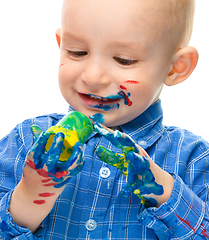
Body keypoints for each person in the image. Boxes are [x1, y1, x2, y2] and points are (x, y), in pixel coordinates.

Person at [0, 0, 208, 239]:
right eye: (77, 52)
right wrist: (29, 196)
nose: (93, 76)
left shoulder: (194, 158)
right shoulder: (27, 141)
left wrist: (163, 189)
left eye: (124, 59)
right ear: (60, 44)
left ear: (175, 68)